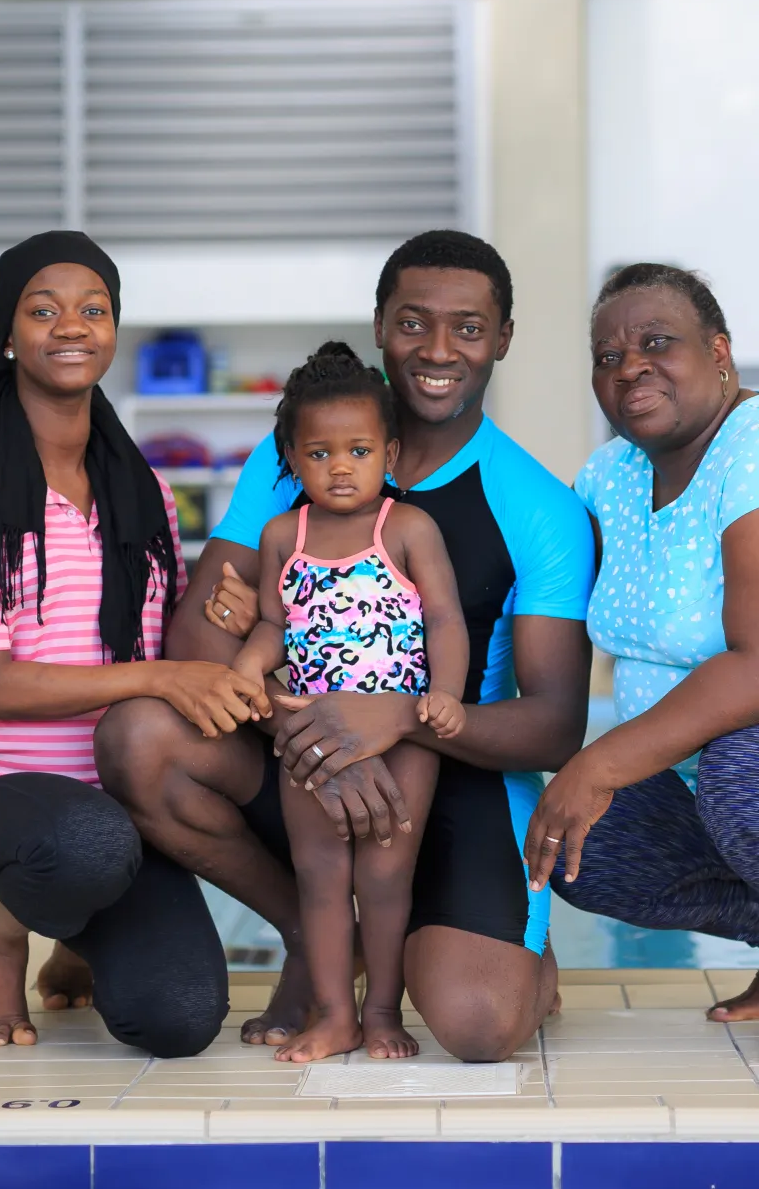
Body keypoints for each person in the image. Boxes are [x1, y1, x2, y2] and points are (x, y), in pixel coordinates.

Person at [97, 230, 595, 1062]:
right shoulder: (293, 460)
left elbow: (553, 725)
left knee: (478, 1026)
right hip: (297, 753)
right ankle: (314, 936)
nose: (438, 350)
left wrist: (396, 718)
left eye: (469, 328)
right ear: (377, 325)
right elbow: (198, 637)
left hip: (452, 772)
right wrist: (323, 736)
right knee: (138, 734)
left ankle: (523, 961)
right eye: (413, 322)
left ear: (503, 338)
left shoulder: (540, 509)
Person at [0, 230, 267, 1054]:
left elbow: (171, 642)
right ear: (7, 335)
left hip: (113, 809)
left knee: (178, 1017)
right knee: (84, 838)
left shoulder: (146, 497)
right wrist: (163, 676)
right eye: (44, 310)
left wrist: (227, 616)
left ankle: (73, 938)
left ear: (113, 330)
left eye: (93, 310)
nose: (72, 326)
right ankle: (1, 936)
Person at [523, 264, 759, 1021]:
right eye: (608, 356)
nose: (630, 368)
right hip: (693, 777)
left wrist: (601, 760)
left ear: (719, 352)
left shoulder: (753, 449)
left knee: (737, 771)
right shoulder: (612, 474)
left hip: (737, 764)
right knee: (582, 848)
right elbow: (523, 583)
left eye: (657, 342)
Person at [232, 342, 468, 1062]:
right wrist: (246, 667)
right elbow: (274, 625)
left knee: (387, 875)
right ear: (292, 460)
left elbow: (444, 619)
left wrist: (446, 697)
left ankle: (385, 1015)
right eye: (320, 452)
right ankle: (334, 1014)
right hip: (310, 738)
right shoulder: (283, 537)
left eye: (359, 449)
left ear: (388, 454)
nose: (340, 466)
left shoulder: (407, 528)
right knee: (322, 877)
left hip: (403, 738)